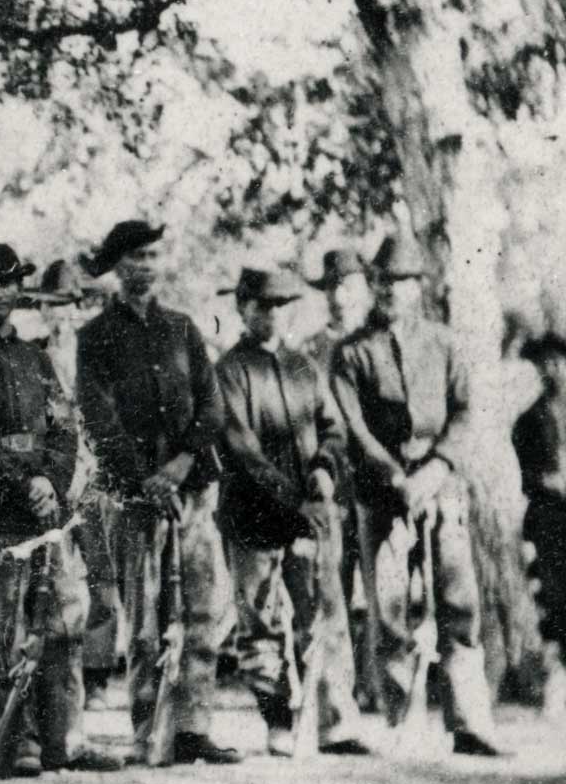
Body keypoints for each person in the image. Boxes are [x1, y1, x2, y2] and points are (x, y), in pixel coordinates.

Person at [0, 244, 123, 777]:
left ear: (19, 289)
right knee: (4, 630)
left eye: (6, 283)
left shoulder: (36, 358)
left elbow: (65, 428)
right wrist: (26, 483)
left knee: (64, 622)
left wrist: (52, 480)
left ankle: (65, 737)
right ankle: (15, 738)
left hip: (46, 515)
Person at [331, 236, 509, 757]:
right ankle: (400, 717)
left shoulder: (445, 343)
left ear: (419, 288)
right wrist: (394, 477)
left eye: (403, 282)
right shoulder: (352, 353)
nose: (392, 292)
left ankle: (470, 721)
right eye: (384, 282)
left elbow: (464, 412)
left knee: (458, 603)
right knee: (388, 608)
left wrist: (434, 471)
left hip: (441, 488)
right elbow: (352, 425)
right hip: (382, 494)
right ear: (374, 286)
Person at [76, 220, 239, 765]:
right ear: (117, 266)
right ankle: (151, 729)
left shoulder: (184, 329)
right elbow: (99, 419)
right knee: (145, 619)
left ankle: (193, 728)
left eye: (152, 256)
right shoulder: (94, 338)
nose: (145, 266)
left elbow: (212, 405)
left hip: (191, 493)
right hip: (133, 498)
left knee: (198, 611)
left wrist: (181, 464)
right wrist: (146, 478)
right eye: (134, 257)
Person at [213, 267, 370, 757]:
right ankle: (277, 718)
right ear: (243, 308)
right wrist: (291, 497)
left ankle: (335, 721)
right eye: (263, 306)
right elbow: (242, 450)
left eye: (283, 306)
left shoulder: (306, 366)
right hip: (253, 514)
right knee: (258, 619)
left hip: (311, 514)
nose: (274, 315)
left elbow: (333, 427)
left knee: (322, 612)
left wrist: (325, 467)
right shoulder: (230, 371)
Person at [33, 259, 123, 710]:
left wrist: (95, 465)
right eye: (49, 306)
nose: (57, 314)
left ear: (77, 306)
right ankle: (56, 675)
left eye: (65, 305)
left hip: (96, 476)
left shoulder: (94, 353)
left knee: (103, 574)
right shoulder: (33, 353)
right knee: (57, 575)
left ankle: (99, 674)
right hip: (55, 473)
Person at [304, 247, 376, 710]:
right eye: (330, 286)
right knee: (332, 587)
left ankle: (379, 688)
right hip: (330, 482)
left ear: (366, 289)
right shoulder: (311, 349)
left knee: (381, 591)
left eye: (347, 285)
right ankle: (338, 696)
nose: (338, 296)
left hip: (376, 483)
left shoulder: (379, 343)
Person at [514, 332, 566, 658]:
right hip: (552, 515)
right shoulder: (530, 419)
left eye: (557, 361)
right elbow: (526, 475)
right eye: (543, 363)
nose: (551, 369)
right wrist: (548, 481)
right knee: (558, 594)